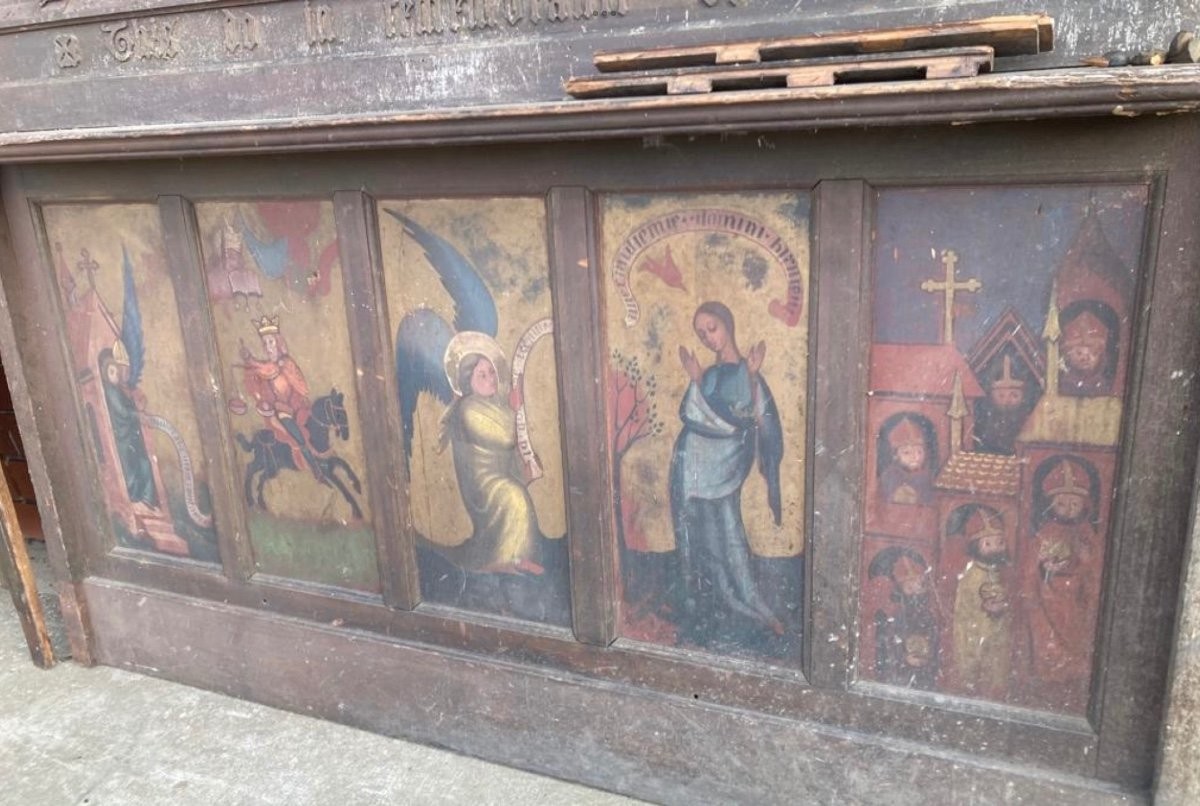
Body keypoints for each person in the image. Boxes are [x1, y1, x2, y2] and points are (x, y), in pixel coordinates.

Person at [669, 301, 785, 647]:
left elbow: (748, 416)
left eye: (712, 328)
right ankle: (716, 604)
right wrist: (697, 378)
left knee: (731, 534)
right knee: (703, 538)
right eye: (701, 334)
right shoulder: (709, 375)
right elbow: (693, 412)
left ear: (728, 324)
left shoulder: (745, 372)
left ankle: (752, 602)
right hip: (694, 466)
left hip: (725, 467)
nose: (708, 338)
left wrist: (751, 377)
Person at [438, 331, 544, 576]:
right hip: (483, 484)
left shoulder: (495, 403)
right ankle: (505, 558)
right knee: (514, 498)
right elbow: (504, 437)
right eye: (482, 375)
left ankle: (519, 556)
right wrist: (515, 410)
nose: (490, 378)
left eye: (492, 372)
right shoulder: (467, 409)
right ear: (468, 381)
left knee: (516, 494)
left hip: (500, 475)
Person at [1023, 458, 1102, 711]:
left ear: (1084, 505)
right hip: (1048, 605)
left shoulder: (1088, 535)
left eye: (1074, 503)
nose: (1068, 509)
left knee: (1076, 663)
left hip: (1076, 606)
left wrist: (1086, 562)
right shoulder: (1043, 534)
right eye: (1061, 503)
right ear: (1051, 504)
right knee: (1050, 660)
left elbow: (1096, 573)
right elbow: (1029, 575)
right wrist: (1044, 569)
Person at [239, 315, 323, 480]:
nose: (268, 347)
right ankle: (314, 466)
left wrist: (253, 361)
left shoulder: (286, 363)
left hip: (298, 407)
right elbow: (260, 373)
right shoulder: (267, 367)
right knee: (298, 436)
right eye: (265, 344)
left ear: (278, 342)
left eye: (271, 342)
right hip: (282, 412)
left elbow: (301, 386)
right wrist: (249, 362)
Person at [950, 506, 1013, 700]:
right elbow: (964, 611)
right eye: (988, 543)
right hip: (975, 635)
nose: (995, 548)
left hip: (998, 637)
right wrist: (985, 608)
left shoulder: (1000, 573)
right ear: (976, 546)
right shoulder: (971, 577)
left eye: (1000, 543)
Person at [99, 342, 160, 514]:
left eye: (116, 372)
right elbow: (122, 411)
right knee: (131, 467)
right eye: (111, 372)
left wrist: (138, 407)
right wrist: (137, 414)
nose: (115, 376)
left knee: (143, 462)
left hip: (132, 433)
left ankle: (147, 497)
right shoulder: (111, 392)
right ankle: (135, 497)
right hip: (123, 437)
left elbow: (130, 407)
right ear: (105, 375)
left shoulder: (119, 390)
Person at [869, 547, 938, 689]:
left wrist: (926, 658)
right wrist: (903, 658)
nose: (916, 592)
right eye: (910, 587)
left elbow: (934, 643)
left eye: (919, 586)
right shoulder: (890, 616)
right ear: (900, 589)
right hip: (898, 677)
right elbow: (884, 651)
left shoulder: (928, 616)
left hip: (923, 676)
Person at [973, 354, 1033, 455]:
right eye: (1001, 396)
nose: (1007, 401)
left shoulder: (1028, 424)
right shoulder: (984, 427)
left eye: (1014, 395)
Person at [1059, 301, 1118, 396]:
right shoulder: (1062, 386)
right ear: (1067, 354)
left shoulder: (1103, 388)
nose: (1085, 358)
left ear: (1102, 356)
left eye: (1093, 353)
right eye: (1079, 353)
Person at [878, 414, 935, 505]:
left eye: (919, 452)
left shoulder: (927, 477)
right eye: (907, 453)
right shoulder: (889, 476)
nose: (915, 457)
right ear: (895, 455)